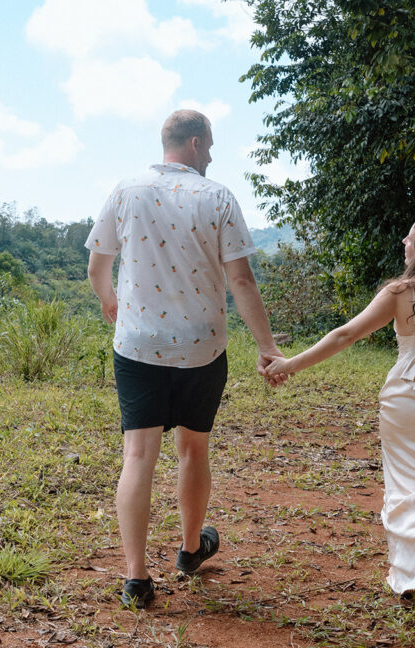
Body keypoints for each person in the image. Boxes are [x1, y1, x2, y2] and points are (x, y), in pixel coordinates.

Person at [262, 216, 415, 638]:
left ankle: (408, 574)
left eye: (409, 238)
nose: (403, 243)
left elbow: (344, 335)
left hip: (401, 406)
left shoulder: (399, 293)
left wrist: (290, 365)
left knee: (405, 488)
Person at [86, 109, 284, 609]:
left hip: (137, 345)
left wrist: (110, 299)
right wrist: (267, 347)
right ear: (194, 143)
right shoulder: (216, 195)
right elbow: (241, 280)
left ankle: (136, 577)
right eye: (211, 146)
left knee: (138, 454)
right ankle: (191, 549)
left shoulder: (126, 190)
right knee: (193, 449)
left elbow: (96, 265)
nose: (212, 155)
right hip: (201, 347)